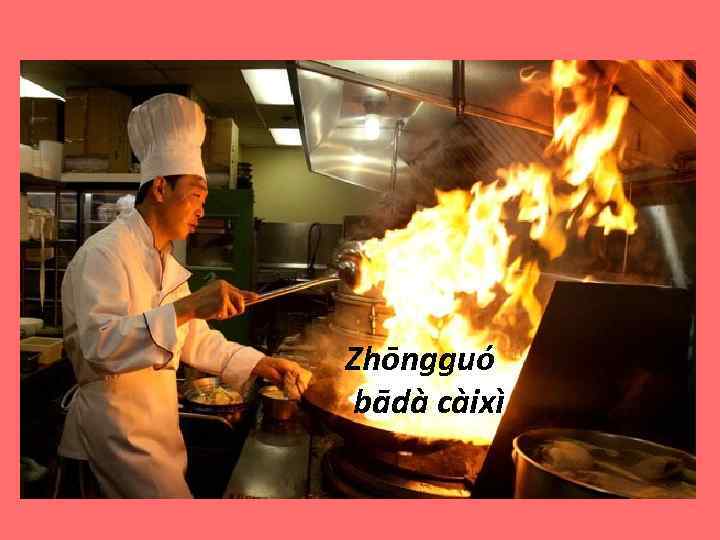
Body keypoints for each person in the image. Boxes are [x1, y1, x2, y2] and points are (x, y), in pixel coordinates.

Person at [57, 93, 311, 498]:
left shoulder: (166, 260)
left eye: (204, 201)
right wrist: (190, 305)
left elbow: (194, 338)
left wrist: (263, 364)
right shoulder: (103, 254)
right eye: (195, 195)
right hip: (113, 432)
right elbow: (99, 345)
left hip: (156, 431)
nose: (201, 211)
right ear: (160, 188)